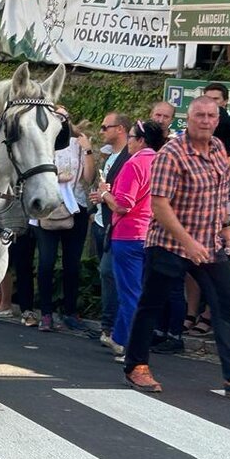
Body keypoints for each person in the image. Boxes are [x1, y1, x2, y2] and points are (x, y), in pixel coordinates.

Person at [123, 96, 230, 396]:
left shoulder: (218, 148)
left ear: (218, 120)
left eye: (211, 116)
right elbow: (159, 204)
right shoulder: (171, 153)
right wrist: (188, 242)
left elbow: (218, 197)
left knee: (224, 307)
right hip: (168, 244)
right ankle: (136, 366)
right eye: (200, 115)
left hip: (209, 245)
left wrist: (227, 231)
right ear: (188, 118)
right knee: (151, 305)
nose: (206, 121)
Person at [93, 120, 168, 360]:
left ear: (141, 141)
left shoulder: (134, 164)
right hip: (152, 233)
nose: (129, 142)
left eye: (132, 137)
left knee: (129, 293)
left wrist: (105, 193)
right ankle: (121, 339)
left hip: (128, 234)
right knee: (142, 292)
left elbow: (123, 205)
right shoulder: (162, 162)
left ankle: (127, 344)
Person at [34, 107, 95, 332]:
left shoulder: (79, 142)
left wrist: (88, 151)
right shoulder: (43, 142)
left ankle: (70, 311)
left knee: (72, 264)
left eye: (64, 117)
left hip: (75, 206)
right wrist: (56, 177)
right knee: (46, 262)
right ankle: (46, 313)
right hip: (49, 206)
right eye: (56, 117)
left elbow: (89, 178)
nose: (61, 121)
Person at [88, 113, 131, 351]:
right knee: (106, 275)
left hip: (118, 225)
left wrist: (105, 196)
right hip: (102, 222)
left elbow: (122, 196)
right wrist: (99, 198)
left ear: (120, 129)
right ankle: (109, 326)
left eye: (106, 127)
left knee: (111, 273)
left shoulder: (129, 158)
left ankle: (112, 327)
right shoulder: (110, 156)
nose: (102, 131)